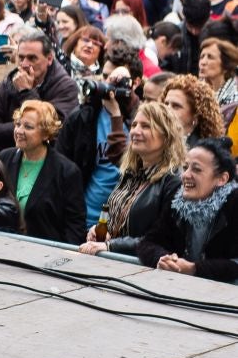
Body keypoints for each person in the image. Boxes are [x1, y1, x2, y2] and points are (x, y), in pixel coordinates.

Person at [78, 100, 185, 255]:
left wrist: (112, 245)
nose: (135, 131)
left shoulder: (174, 181)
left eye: (146, 126)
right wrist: (102, 231)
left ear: (166, 136)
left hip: (141, 270)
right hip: (113, 263)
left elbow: (163, 238)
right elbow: (118, 221)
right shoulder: (130, 173)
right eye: (134, 125)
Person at [125, 138, 238, 280]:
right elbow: (148, 242)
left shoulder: (234, 203)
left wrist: (195, 269)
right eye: (185, 167)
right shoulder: (177, 200)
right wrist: (163, 259)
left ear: (222, 179)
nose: (185, 175)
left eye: (196, 169)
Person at [57, 52, 140, 222]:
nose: (108, 83)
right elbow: (61, 169)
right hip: (84, 217)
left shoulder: (141, 118)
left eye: (116, 80)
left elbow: (129, 165)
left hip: (122, 221)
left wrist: (118, 111)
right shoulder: (83, 117)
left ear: (135, 83)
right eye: (105, 76)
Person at [0, 99, 85, 244]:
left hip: (45, 255)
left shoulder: (67, 171)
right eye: (18, 124)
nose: (19, 131)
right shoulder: (5, 158)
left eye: (28, 127)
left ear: (46, 134)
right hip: (3, 247)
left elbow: (75, 227)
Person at [0, 29, 81, 153]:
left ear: (49, 58)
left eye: (32, 58)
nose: (24, 64)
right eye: (21, 57)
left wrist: (25, 92)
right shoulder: (8, 82)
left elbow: (51, 130)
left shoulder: (65, 87)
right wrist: (28, 129)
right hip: (8, 161)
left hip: (47, 163)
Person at [162, 74, 226, 146]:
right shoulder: (157, 142)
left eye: (176, 106)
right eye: (166, 104)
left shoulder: (204, 151)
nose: (167, 109)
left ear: (196, 115)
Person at [198, 37, 238, 105]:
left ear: (225, 66)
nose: (203, 62)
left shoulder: (234, 99)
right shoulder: (196, 91)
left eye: (210, 57)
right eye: (202, 57)